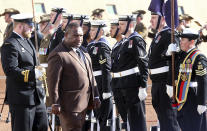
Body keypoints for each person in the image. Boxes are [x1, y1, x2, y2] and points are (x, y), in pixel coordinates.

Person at [47, 22, 101, 131]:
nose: (79, 38)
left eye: (81, 35)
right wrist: (55, 102)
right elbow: (53, 82)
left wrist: (96, 95)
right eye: (76, 35)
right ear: (66, 35)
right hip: (69, 105)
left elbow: (91, 75)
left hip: (85, 104)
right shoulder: (58, 54)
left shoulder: (84, 52)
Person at [1, 13, 48, 131]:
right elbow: (11, 71)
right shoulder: (10, 44)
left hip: (37, 97)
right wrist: (33, 74)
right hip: (22, 99)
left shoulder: (27, 41)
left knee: (42, 127)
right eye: (30, 26)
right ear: (21, 26)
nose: (33, 29)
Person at [110, 15, 148, 131]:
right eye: (119, 24)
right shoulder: (123, 42)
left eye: (122, 24)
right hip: (120, 85)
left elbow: (143, 63)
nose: (119, 27)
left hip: (132, 86)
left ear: (131, 25)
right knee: (127, 121)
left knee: (137, 121)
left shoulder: (136, 40)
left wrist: (143, 86)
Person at [166, 28, 207, 131]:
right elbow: (168, 62)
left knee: (194, 127)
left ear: (192, 42)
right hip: (181, 97)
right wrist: (168, 53)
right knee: (184, 126)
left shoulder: (199, 57)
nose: (180, 42)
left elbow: (203, 81)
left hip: (192, 98)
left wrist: (202, 102)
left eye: (183, 40)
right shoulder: (181, 54)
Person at [148, 12, 180, 131]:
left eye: (154, 17)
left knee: (170, 120)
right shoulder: (158, 35)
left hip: (165, 82)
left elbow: (175, 59)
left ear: (163, 19)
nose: (151, 20)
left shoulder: (169, 34)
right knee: (163, 119)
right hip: (156, 82)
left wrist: (171, 83)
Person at [87, 20, 113, 131]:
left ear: (101, 32)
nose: (90, 32)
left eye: (93, 30)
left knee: (105, 118)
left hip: (101, 85)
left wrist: (107, 90)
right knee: (98, 116)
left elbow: (106, 69)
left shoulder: (102, 46)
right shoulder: (92, 45)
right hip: (94, 84)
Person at [110, 19, 128, 130]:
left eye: (113, 28)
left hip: (125, 84)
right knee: (122, 114)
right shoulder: (116, 45)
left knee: (128, 116)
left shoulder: (125, 43)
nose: (110, 30)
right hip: (117, 84)